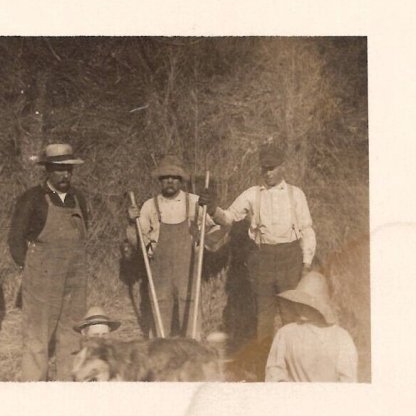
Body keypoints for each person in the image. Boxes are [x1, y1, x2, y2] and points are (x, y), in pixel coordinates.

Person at [200, 142, 316, 371]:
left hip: (290, 259)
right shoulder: (252, 195)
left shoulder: (296, 195)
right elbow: (228, 218)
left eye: (272, 168)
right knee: (263, 319)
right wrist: (213, 208)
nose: (268, 172)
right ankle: (267, 368)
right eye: (264, 168)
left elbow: (307, 230)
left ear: (282, 167)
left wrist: (306, 264)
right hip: (262, 261)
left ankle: (294, 368)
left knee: (291, 316)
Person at [9, 143, 90, 381]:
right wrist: (32, 268)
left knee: (72, 331)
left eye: (68, 169)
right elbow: (15, 239)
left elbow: (84, 230)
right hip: (41, 275)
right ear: (47, 170)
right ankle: (35, 390)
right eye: (58, 169)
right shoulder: (32, 198)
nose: (65, 174)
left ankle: (67, 385)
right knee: (38, 336)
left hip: (75, 274)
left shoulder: (79, 198)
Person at [126, 155, 217, 337]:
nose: (170, 181)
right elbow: (137, 241)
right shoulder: (149, 206)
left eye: (175, 177)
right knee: (160, 312)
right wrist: (130, 222)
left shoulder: (195, 202)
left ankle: (193, 355)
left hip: (187, 268)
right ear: (160, 180)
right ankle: (160, 357)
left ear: (181, 180)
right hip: (160, 272)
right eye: (166, 177)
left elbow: (214, 230)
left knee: (190, 309)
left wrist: (211, 211)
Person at [265, 271, 357, 382]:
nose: (300, 307)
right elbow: (349, 382)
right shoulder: (342, 336)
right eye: (300, 303)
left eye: (305, 303)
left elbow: (274, 377)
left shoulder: (286, 333)